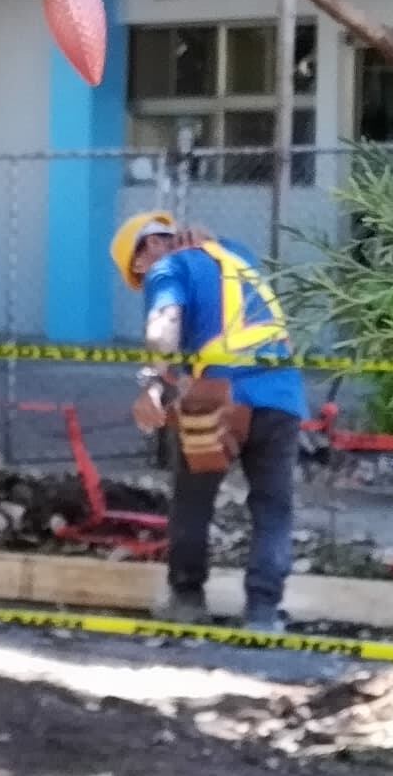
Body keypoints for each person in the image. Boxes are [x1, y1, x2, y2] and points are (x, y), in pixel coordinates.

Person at [111, 203, 310, 630]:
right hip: (281, 392)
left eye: (137, 273)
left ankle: (187, 600)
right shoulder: (234, 252)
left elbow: (164, 323)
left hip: (218, 398)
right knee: (273, 508)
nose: (143, 279)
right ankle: (262, 614)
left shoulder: (165, 269)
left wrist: (153, 382)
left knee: (193, 501)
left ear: (143, 255)